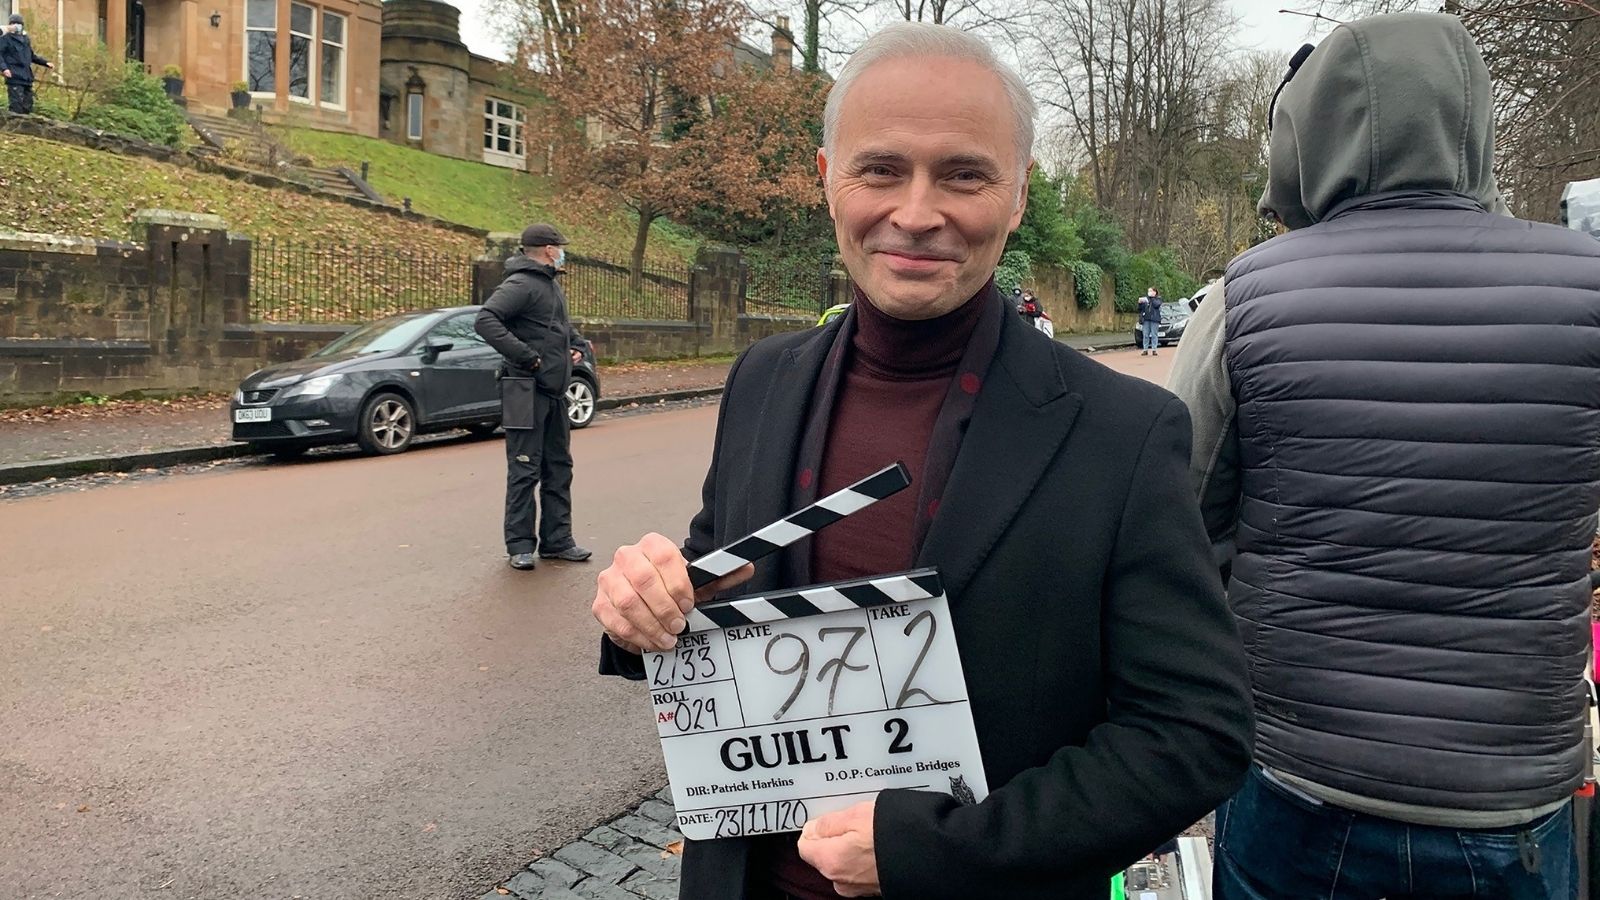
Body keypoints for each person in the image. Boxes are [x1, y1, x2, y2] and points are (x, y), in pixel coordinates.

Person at [591, 22, 1253, 899]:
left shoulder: (1123, 433)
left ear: (1017, 196)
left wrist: (935, 849)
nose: (915, 212)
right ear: (827, 182)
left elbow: (1195, 734)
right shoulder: (762, 381)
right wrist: (646, 614)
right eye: (881, 168)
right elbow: (718, 587)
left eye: (964, 174)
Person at [1167, 13, 1600, 900]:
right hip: (1514, 793)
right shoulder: (1585, 286)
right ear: (1471, 123)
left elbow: (1175, 521)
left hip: (1301, 776)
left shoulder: (1246, 298)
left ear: (1309, 131)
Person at [475, 223, 592, 571]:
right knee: (525, 468)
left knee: (558, 467)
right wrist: (528, 357)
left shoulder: (550, 286)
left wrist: (576, 346)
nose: (563, 252)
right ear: (547, 249)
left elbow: (557, 328)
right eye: (560, 247)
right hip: (522, 388)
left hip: (553, 389)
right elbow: (486, 320)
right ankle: (520, 545)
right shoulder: (521, 284)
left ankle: (558, 541)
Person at [0, 14, 52, 115]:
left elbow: (31, 56)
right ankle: (13, 126)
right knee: (16, 105)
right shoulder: (5, 39)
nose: (17, 26)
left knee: (28, 105)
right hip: (14, 75)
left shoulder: (25, 40)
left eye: (19, 24)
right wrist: (4, 69)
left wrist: (45, 63)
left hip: (26, 77)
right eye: (14, 24)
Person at [1137, 287, 1162, 356]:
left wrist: (1152, 299)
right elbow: (1140, 309)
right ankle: (1145, 349)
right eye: (1149, 291)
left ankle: (1154, 349)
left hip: (1154, 319)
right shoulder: (1145, 299)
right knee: (1145, 335)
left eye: (1151, 291)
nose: (1149, 292)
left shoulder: (1158, 299)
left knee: (1154, 334)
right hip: (1146, 319)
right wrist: (1140, 303)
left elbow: (1156, 305)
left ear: (1155, 292)